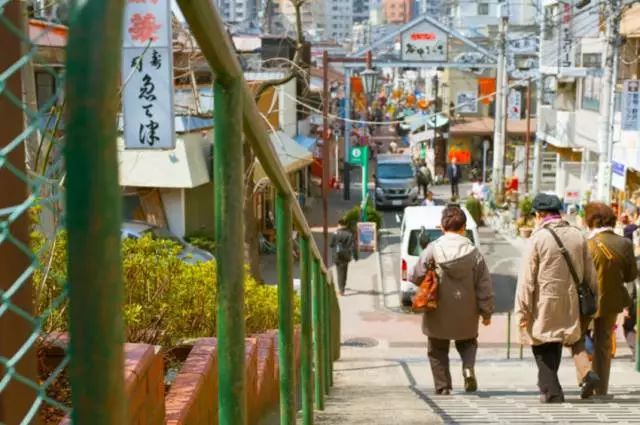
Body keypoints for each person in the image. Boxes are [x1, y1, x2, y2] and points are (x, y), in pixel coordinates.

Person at [515, 194, 598, 403]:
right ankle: (547, 388)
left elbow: (526, 278)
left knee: (541, 343)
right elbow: (591, 275)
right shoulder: (577, 235)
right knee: (557, 341)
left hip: (543, 300)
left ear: (540, 214)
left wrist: (522, 308)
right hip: (570, 299)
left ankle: (552, 392)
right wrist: (592, 297)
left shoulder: (538, 238)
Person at [411, 205, 494, 395]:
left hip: (438, 308)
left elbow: (415, 275)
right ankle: (467, 367)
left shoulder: (433, 249)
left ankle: (443, 387)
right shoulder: (474, 253)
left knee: (437, 348)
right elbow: (484, 286)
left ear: (442, 226)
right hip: (467, 310)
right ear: (463, 227)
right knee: (468, 342)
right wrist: (486, 312)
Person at [583, 203, 638, 397]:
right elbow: (632, 275)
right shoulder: (625, 243)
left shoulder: (586, 243)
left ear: (591, 220)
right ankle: (601, 388)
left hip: (585, 301)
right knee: (604, 344)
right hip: (611, 301)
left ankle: (585, 377)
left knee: (578, 340)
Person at [330, 218, 356, 296]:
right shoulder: (349, 234)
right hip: (346, 256)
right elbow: (352, 246)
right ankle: (343, 286)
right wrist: (354, 256)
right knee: (344, 272)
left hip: (337, 256)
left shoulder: (335, 233)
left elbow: (331, 244)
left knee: (339, 273)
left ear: (339, 225)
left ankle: (341, 290)